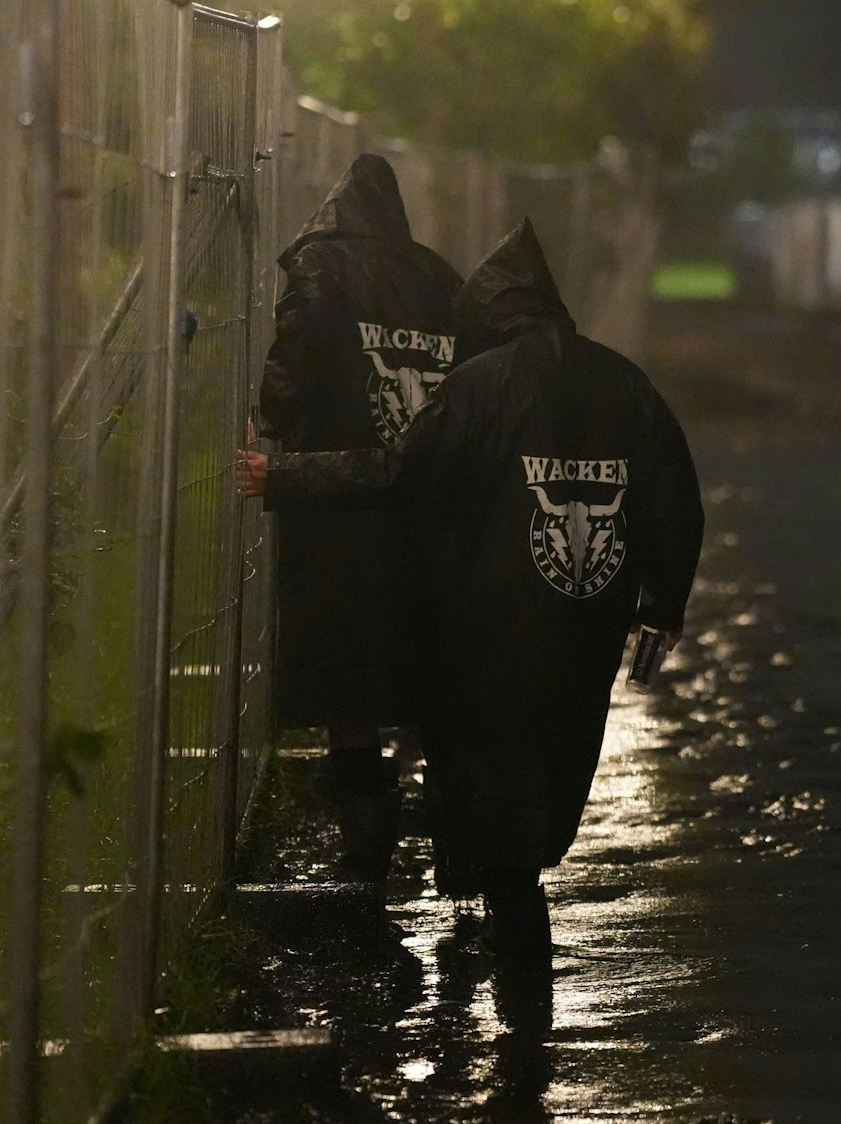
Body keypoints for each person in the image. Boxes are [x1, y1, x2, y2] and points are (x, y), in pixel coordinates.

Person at [238, 220, 705, 968]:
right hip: (588, 621)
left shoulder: (479, 389)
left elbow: (400, 472)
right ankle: (518, 893)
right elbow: (675, 501)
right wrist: (660, 607)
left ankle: (512, 917)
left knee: (485, 759)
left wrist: (288, 477)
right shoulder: (626, 384)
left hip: (486, 619)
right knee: (559, 755)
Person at [257, 153, 464, 882]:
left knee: (350, 683)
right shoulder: (439, 280)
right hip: (431, 511)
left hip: (337, 508)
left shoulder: (319, 269)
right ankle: (458, 850)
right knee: (431, 672)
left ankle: (365, 856)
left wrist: (280, 421)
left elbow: (287, 378)